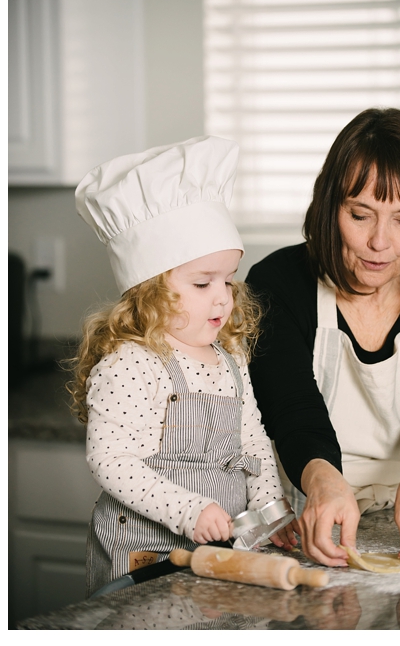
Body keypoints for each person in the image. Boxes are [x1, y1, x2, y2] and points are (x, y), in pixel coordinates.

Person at [70, 136, 295, 596]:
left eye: (228, 280)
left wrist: (271, 507)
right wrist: (188, 511)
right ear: (148, 289)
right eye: (201, 282)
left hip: (222, 553)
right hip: (146, 557)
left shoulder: (229, 358)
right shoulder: (132, 364)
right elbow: (112, 461)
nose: (222, 297)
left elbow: (251, 439)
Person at [246, 108, 400, 568]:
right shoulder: (278, 284)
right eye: (360, 215)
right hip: (314, 509)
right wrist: (324, 481)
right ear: (330, 206)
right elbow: (291, 410)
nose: (380, 243)